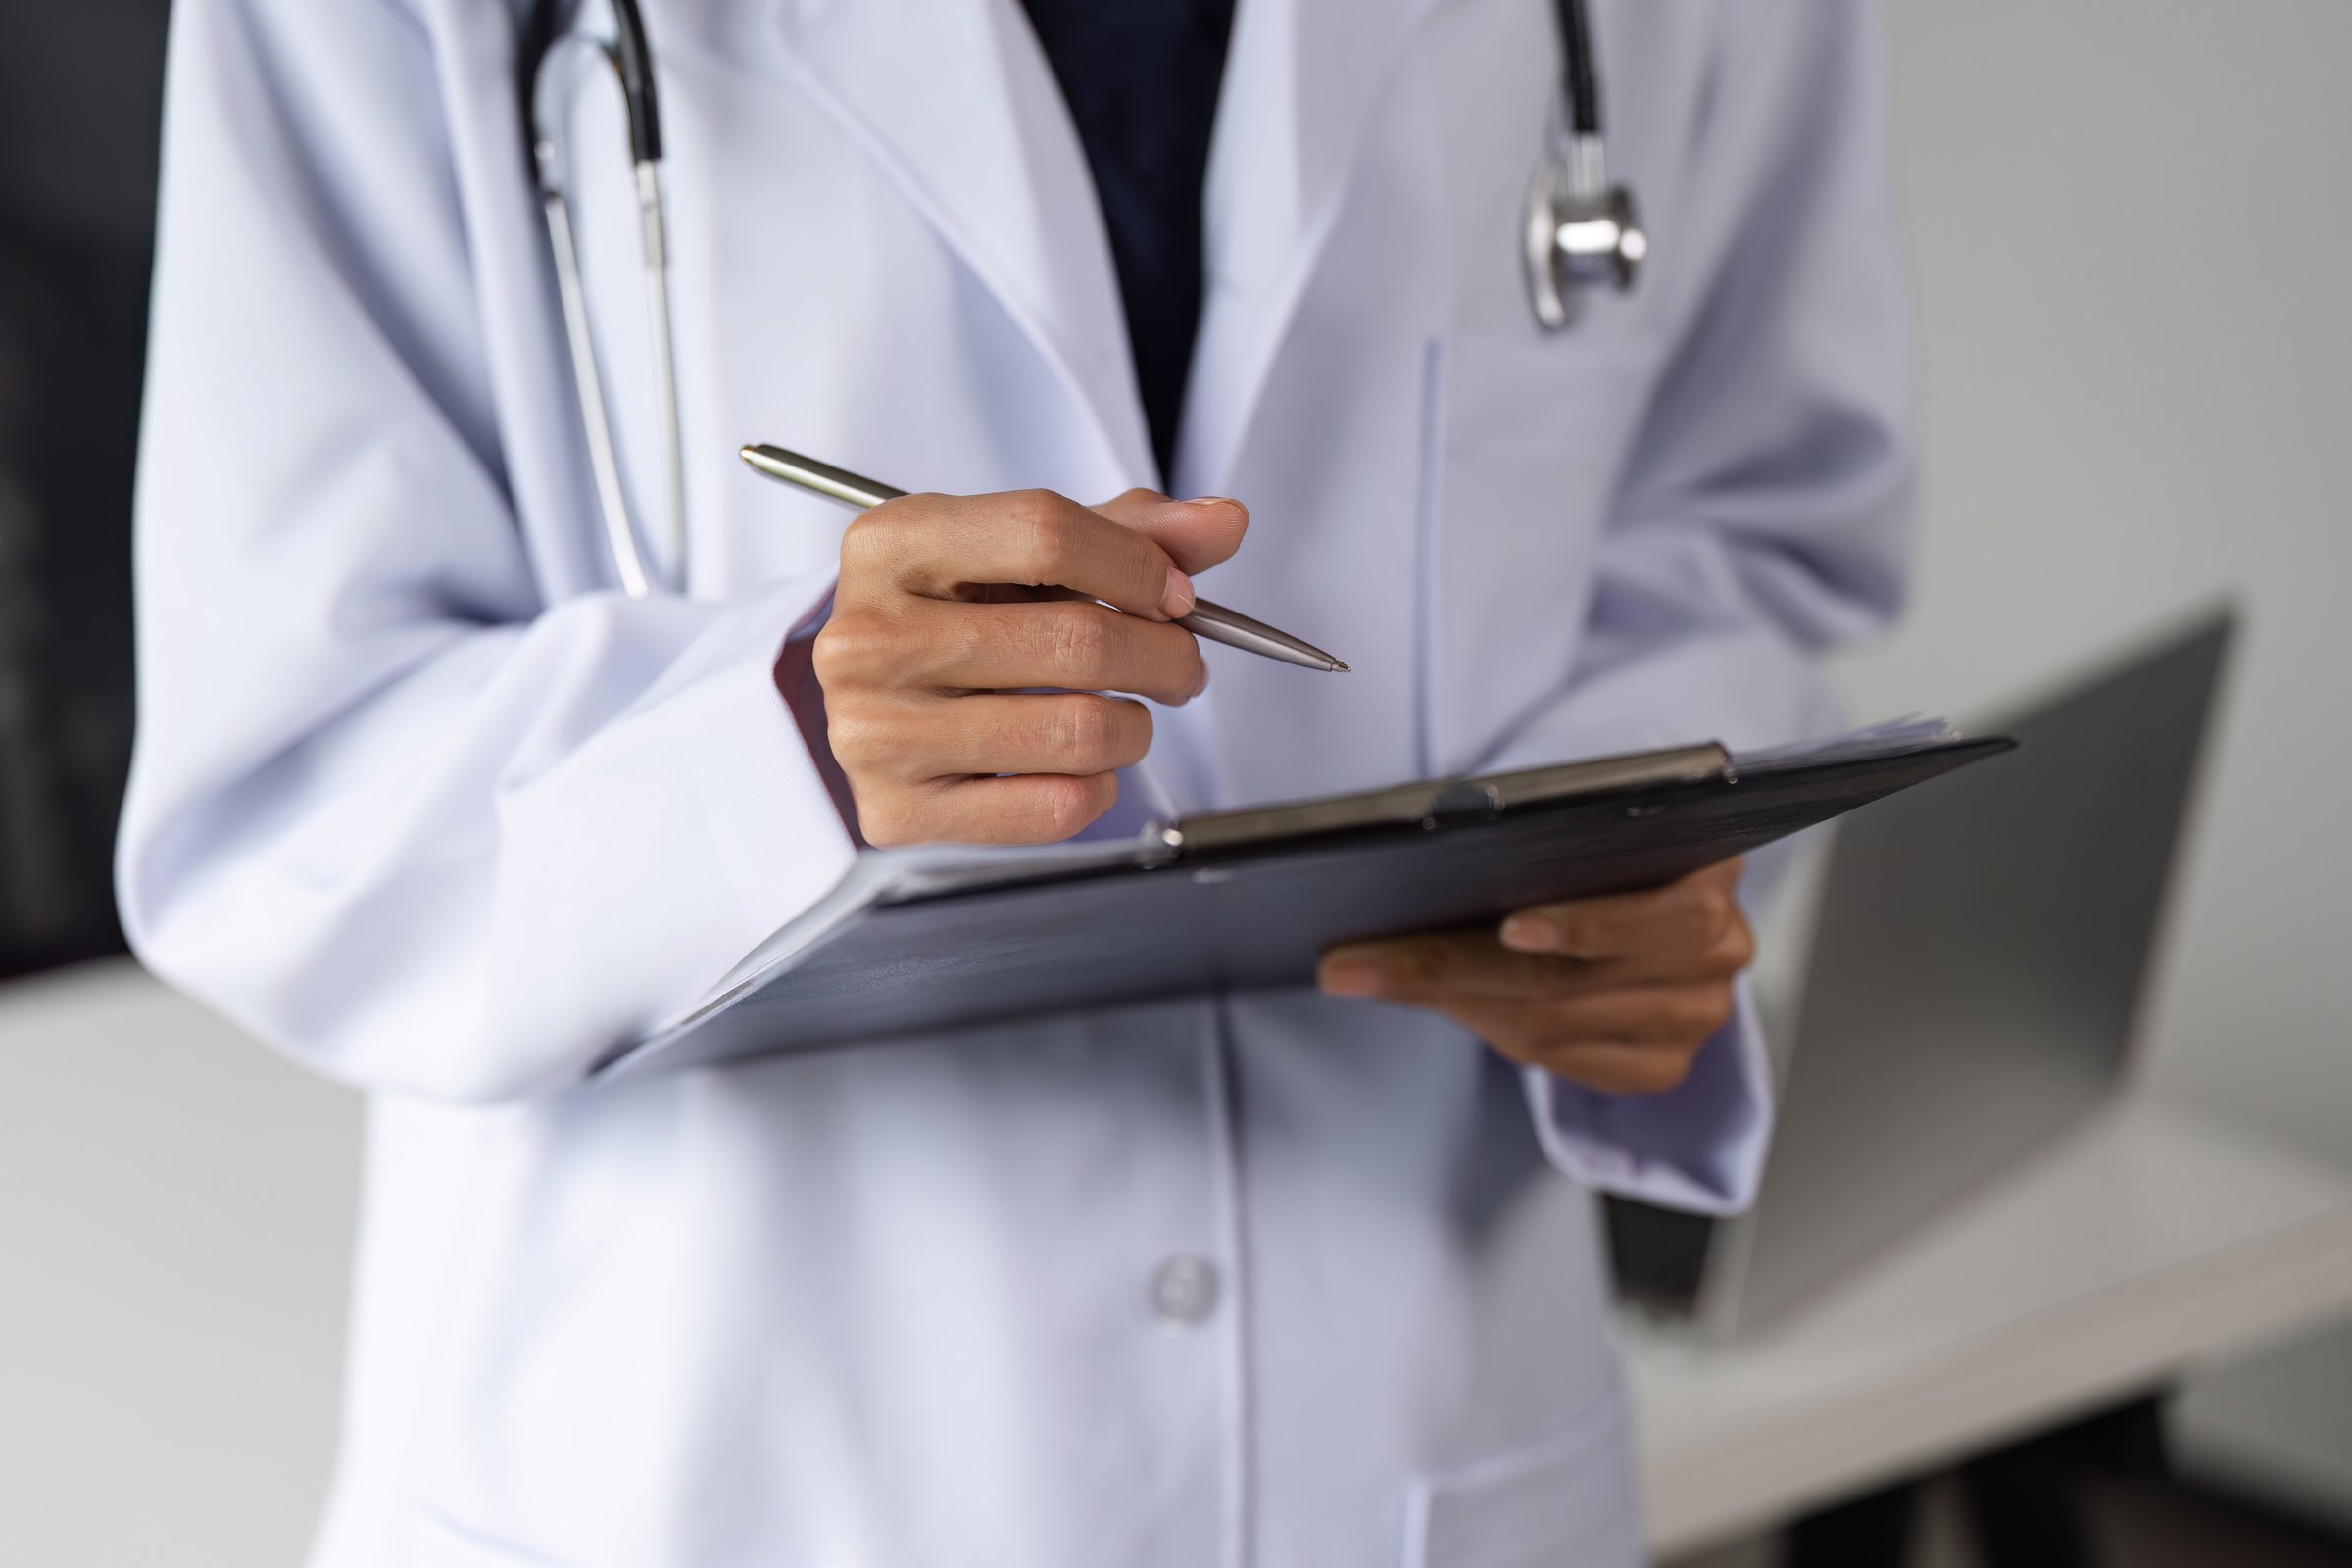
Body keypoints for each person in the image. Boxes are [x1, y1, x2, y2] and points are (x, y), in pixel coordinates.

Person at [120, 1, 1911, 1563]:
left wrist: (1647, 850)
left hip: (1414, 1422)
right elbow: (288, 785)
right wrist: (781, 733)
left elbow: (1754, 527)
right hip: (714, 1455)